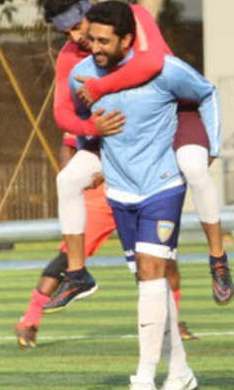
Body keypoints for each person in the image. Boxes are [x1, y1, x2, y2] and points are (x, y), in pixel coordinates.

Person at [41, 0, 234, 314]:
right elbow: (63, 113)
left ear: (91, 11)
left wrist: (100, 86)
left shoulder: (134, 18)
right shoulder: (70, 57)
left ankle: (218, 259)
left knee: (194, 167)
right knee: (68, 180)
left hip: (173, 113)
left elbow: (150, 63)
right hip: (120, 133)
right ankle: (77, 273)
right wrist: (91, 130)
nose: (75, 38)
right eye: (66, 33)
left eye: (77, 27)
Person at [68, 0, 222, 390]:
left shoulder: (163, 70)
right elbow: (83, 126)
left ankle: (142, 381)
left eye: (104, 41)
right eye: (92, 40)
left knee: (152, 273)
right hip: (120, 190)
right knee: (147, 281)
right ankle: (181, 372)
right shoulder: (80, 75)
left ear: (127, 40)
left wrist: (212, 147)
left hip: (162, 184)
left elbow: (206, 92)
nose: (95, 47)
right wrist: (91, 149)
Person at [14, 131, 197, 349]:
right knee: (71, 256)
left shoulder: (150, 100)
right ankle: (30, 321)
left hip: (143, 188)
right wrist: (74, 181)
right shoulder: (94, 102)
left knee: (163, 258)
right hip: (100, 194)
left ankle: (171, 321)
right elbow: (69, 144)